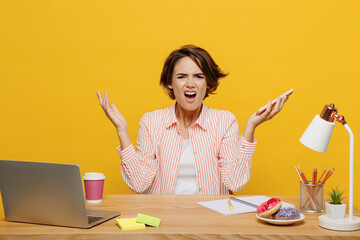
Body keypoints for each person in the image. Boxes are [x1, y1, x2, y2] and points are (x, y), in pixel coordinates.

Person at [97, 45, 290, 194]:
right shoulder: (151, 122)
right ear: (170, 83)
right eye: (181, 77)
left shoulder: (224, 121)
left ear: (208, 83)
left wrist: (250, 129)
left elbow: (235, 182)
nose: (190, 84)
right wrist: (122, 130)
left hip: (211, 223)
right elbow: (139, 184)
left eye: (198, 76)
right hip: (161, 222)